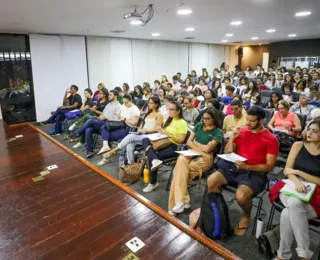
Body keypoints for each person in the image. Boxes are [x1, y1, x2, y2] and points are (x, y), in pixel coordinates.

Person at [207, 106, 279, 236]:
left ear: (261, 120)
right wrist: (233, 137)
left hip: (255, 172)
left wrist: (247, 167)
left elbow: (269, 166)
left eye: (252, 121)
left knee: (241, 197)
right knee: (211, 181)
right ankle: (218, 212)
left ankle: (246, 215)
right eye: (247, 120)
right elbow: (228, 151)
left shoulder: (271, 139)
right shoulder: (243, 131)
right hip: (234, 166)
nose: (247, 123)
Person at [271, 120, 320, 260]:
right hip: (291, 185)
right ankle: (305, 254)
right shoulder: (298, 145)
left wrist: (300, 172)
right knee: (294, 201)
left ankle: (283, 255)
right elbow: (287, 170)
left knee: (288, 213)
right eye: (309, 129)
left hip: (315, 192)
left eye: (315, 131)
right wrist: (297, 180)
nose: (309, 133)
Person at [168, 108, 223, 215]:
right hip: (191, 153)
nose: (205, 121)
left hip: (205, 158)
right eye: (204, 118)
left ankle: (179, 202)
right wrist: (201, 146)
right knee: (181, 160)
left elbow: (208, 150)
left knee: (178, 172)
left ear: (214, 119)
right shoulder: (198, 126)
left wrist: (196, 144)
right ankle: (182, 201)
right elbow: (189, 142)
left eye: (208, 119)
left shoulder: (218, 131)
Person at [97, 97, 163, 166]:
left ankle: (113, 151)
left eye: (151, 103)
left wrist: (146, 130)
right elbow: (142, 124)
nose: (149, 104)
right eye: (148, 102)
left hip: (150, 136)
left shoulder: (159, 115)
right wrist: (140, 129)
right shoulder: (148, 113)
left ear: (156, 104)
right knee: (129, 145)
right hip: (143, 133)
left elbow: (157, 129)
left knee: (130, 136)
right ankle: (131, 165)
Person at [142, 101, 188, 193]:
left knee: (152, 157)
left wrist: (169, 134)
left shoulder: (182, 123)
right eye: (168, 109)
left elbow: (181, 140)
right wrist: (161, 130)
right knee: (144, 140)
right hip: (164, 142)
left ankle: (152, 182)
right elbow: (165, 132)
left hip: (174, 146)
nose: (169, 111)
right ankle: (154, 160)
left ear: (178, 111)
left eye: (171, 109)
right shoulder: (169, 119)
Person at [68, 90, 121, 158]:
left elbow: (116, 120)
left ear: (115, 96)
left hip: (109, 124)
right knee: (88, 129)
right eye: (109, 94)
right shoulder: (108, 104)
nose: (109, 96)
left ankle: (77, 133)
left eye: (111, 95)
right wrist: (102, 116)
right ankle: (89, 151)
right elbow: (103, 113)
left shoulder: (118, 106)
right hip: (103, 122)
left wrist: (105, 117)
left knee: (91, 121)